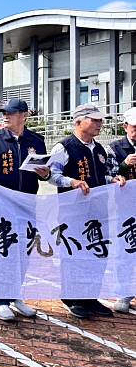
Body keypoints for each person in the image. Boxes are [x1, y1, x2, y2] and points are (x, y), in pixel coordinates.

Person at [49, 103, 126, 319]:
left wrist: (114, 179)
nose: (100, 124)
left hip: (98, 212)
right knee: (74, 253)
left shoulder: (100, 149)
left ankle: (90, 297)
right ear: (79, 121)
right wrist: (71, 182)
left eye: (101, 120)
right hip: (73, 212)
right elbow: (51, 175)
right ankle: (72, 298)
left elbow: (101, 177)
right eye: (95, 120)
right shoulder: (64, 147)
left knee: (96, 252)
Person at [0, 99, 48, 321]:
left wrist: (44, 173)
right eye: (3, 113)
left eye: (10, 113)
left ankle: (17, 296)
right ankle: (1, 300)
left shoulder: (37, 141)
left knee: (22, 254)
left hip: (27, 206)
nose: (5, 117)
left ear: (24, 116)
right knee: (3, 253)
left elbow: (44, 172)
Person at [106, 106, 136, 314]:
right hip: (124, 208)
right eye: (135, 127)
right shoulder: (114, 148)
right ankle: (124, 292)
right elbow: (107, 175)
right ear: (125, 126)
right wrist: (124, 165)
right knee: (125, 251)